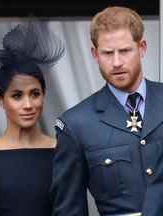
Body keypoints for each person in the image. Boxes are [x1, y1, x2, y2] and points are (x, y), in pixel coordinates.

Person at [51, 6, 162, 216]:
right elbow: (68, 210)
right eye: (108, 53)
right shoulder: (76, 124)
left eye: (125, 51)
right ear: (95, 54)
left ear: (142, 48)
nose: (117, 62)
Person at [0, 22, 65, 216]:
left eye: (35, 94)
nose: (28, 104)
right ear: (0, 100)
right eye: (17, 96)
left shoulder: (63, 153)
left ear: (44, 95)